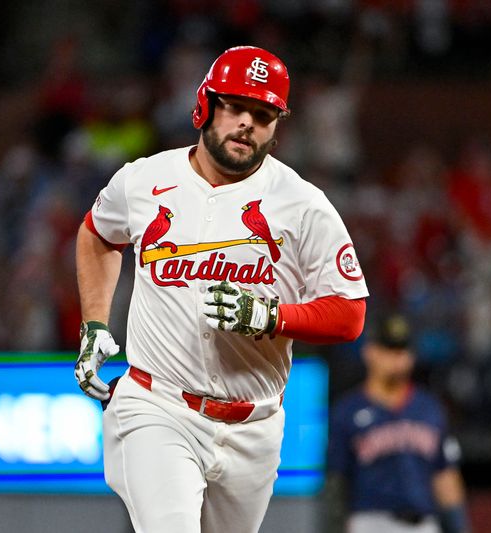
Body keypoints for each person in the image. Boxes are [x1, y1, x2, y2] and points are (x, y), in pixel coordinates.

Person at [74, 45, 369, 533]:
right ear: (205, 105)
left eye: (263, 113)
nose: (247, 122)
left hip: (254, 426)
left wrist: (273, 317)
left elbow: (350, 314)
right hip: (158, 405)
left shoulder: (303, 204)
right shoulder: (144, 181)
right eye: (235, 106)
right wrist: (94, 323)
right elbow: (97, 233)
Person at [325, 314, 471, 533]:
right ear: (369, 352)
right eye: (388, 349)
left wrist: (459, 527)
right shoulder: (348, 410)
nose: (397, 358)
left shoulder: (429, 408)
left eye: (402, 350)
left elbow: (445, 476)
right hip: (369, 522)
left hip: (423, 523)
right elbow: (336, 483)